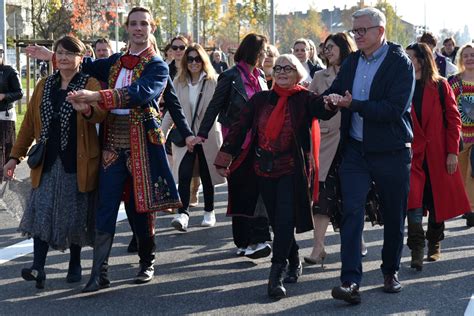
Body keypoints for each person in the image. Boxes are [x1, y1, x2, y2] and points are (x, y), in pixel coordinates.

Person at [26, 7, 194, 292]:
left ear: (152, 27)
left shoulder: (157, 66)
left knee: (139, 208)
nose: (138, 28)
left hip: (142, 144)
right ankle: (99, 272)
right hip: (112, 144)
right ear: (127, 28)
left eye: (143, 24)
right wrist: (54, 57)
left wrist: (96, 96)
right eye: (133, 24)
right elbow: (86, 64)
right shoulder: (115, 62)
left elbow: (141, 93)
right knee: (104, 207)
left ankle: (147, 261)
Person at [214, 54, 336, 299]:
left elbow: (322, 109)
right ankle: (293, 257)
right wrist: (224, 156)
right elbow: (240, 127)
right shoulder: (260, 99)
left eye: (288, 68)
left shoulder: (304, 98)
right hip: (262, 169)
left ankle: (275, 275)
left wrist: (331, 103)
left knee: (284, 220)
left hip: (292, 171)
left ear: (297, 73)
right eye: (277, 68)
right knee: (277, 221)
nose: (281, 72)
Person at [321, 7, 415, 304]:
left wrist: (354, 105)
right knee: (351, 212)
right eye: (354, 31)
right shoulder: (351, 61)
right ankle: (350, 282)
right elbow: (338, 91)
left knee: (393, 213)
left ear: (380, 31)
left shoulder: (400, 64)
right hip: (356, 152)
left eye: (362, 30)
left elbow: (392, 110)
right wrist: (332, 100)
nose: (357, 36)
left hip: (391, 151)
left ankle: (390, 271)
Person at [3, 36, 106, 289]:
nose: (63, 57)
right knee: (43, 212)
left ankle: (74, 261)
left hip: (78, 159)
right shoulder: (44, 84)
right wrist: (14, 158)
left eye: (70, 54)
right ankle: (38, 267)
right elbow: (28, 125)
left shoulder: (89, 83)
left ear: (81, 58)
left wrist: (87, 109)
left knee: (74, 212)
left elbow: (102, 113)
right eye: (59, 53)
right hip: (47, 161)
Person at [195, 33, 272, 259]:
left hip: (260, 143)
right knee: (240, 192)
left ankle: (256, 240)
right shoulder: (229, 76)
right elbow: (214, 106)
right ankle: (245, 241)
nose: (266, 55)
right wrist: (201, 133)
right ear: (255, 51)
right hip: (237, 144)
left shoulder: (259, 76)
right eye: (264, 50)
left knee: (258, 191)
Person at [404, 43, 470, 272]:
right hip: (412, 155)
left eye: (409, 57)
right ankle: (416, 248)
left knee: (436, 201)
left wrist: (452, 152)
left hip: (438, 153)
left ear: (421, 60)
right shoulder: (403, 85)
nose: (406, 61)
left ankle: (434, 241)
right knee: (413, 202)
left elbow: (454, 121)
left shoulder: (441, 85)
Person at [162, 44, 225, 231]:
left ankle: (209, 211)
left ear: (203, 60)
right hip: (185, 135)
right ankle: (183, 213)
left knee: (207, 174)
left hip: (207, 136)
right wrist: (161, 133)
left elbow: (217, 110)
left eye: (197, 59)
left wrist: (202, 134)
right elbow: (172, 111)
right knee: (184, 173)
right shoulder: (178, 81)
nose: (193, 63)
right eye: (189, 59)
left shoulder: (213, 81)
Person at [306, 33, 357, 266]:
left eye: (332, 47)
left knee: (351, 195)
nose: (327, 51)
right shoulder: (319, 76)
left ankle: (358, 240)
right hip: (326, 143)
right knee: (322, 196)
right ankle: (318, 247)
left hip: (351, 142)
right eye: (325, 48)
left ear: (343, 47)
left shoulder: (357, 71)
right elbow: (311, 106)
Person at [448, 43, 474, 227]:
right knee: (463, 175)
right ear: (460, 59)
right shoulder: (454, 81)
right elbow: (448, 108)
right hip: (461, 137)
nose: (470, 58)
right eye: (466, 55)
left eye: (473, 54)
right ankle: (467, 207)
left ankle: (472, 210)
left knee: (473, 173)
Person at [0, 44, 23, 183]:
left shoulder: (9, 71)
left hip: (5, 115)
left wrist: (4, 96)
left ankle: (7, 175)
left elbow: (20, 93)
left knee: (5, 147)